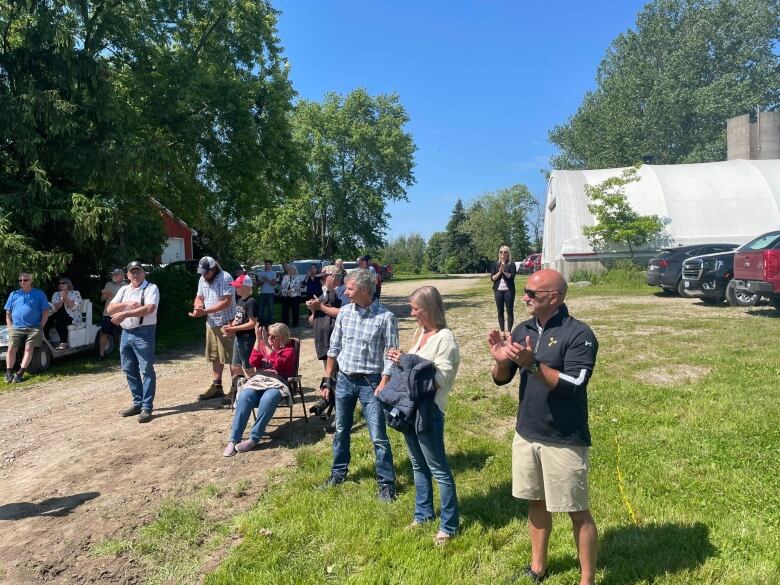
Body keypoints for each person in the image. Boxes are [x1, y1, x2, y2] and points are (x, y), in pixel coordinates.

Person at [488, 269, 599, 585]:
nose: (524, 297)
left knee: (577, 510)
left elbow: (575, 384)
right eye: (524, 291)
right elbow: (502, 378)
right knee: (535, 502)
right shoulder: (523, 328)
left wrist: (534, 365)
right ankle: (538, 567)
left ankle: (587, 580)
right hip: (527, 432)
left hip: (563, 437)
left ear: (555, 297)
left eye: (531, 293)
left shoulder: (579, 334)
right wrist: (500, 360)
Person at [387, 286, 460, 546]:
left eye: (415, 308)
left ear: (428, 309)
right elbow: (414, 370)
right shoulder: (422, 333)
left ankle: (449, 526)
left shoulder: (445, 339)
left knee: (438, 469)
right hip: (410, 409)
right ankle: (423, 515)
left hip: (429, 411)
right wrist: (401, 360)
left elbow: (440, 379)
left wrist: (408, 362)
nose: (412, 312)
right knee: (418, 465)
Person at [320, 269, 399, 501]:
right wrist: (328, 379)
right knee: (342, 429)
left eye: (350, 289)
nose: (346, 292)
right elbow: (333, 348)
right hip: (344, 379)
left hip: (370, 383)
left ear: (364, 290)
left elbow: (391, 354)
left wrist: (384, 381)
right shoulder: (345, 313)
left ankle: (386, 483)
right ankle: (338, 473)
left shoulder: (386, 317)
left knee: (378, 435)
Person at [223, 323, 295, 456]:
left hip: (276, 382)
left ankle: (254, 438)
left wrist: (268, 348)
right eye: (269, 336)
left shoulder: (288, 350)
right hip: (259, 380)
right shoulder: (263, 346)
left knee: (269, 398)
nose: (269, 339)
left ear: (283, 338)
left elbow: (279, 364)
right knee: (245, 396)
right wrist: (257, 340)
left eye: (274, 337)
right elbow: (253, 362)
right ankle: (234, 440)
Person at [108, 261, 160, 423]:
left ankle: (146, 407)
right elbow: (110, 309)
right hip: (126, 332)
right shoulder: (124, 290)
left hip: (144, 332)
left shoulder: (151, 288)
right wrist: (126, 304)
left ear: (143, 273)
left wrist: (125, 314)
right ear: (128, 275)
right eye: (132, 272)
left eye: (138, 272)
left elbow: (149, 308)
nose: (135, 275)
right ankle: (137, 403)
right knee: (129, 369)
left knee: (146, 370)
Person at [188, 256, 236, 401]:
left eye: (206, 272)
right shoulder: (203, 279)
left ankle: (236, 388)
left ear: (214, 269)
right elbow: (199, 297)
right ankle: (217, 387)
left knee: (232, 357)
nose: (204, 275)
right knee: (215, 356)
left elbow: (226, 302)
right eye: (202, 272)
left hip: (227, 322)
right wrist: (198, 307)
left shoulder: (225, 277)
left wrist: (205, 311)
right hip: (211, 323)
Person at [4, 272, 49, 383]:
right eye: (20, 281)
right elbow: (8, 313)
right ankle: (9, 374)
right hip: (16, 327)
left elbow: (45, 312)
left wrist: (40, 327)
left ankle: (20, 374)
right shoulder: (14, 294)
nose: (23, 282)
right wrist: (10, 327)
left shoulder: (39, 294)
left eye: (25, 280)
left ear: (31, 281)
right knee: (10, 350)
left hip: (34, 327)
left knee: (28, 349)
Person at [222, 274, 258, 385]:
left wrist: (234, 329)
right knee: (235, 366)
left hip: (247, 338)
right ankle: (244, 388)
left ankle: (255, 388)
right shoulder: (240, 301)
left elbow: (253, 323)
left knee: (247, 367)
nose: (235, 288)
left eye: (238, 286)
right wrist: (230, 327)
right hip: (239, 337)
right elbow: (238, 318)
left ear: (247, 287)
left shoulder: (251, 302)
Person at [47, 277, 83, 350]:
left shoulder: (75, 293)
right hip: (57, 315)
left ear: (68, 284)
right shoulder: (56, 294)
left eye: (63, 283)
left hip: (72, 317)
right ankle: (46, 340)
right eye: (59, 283)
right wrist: (61, 301)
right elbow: (54, 308)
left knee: (59, 319)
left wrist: (65, 298)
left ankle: (64, 342)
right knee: (46, 318)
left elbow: (74, 307)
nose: (61, 285)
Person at [490, 245, 517, 335]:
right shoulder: (495, 264)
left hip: (509, 291)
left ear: (508, 254)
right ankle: (502, 331)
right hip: (498, 290)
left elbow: (511, 277)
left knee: (509, 311)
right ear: (499, 253)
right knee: (500, 311)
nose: (503, 254)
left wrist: (504, 271)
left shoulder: (511, 264)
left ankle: (509, 331)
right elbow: (493, 278)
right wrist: (499, 272)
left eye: (505, 252)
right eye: (501, 252)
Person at [99, 268, 125, 358]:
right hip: (107, 313)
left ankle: (122, 354)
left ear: (122, 276)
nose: (114, 276)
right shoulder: (108, 284)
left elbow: (126, 300)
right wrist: (105, 295)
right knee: (104, 333)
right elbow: (102, 299)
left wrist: (112, 295)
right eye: (113, 274)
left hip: (120, 313)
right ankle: (101, 354)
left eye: (116, 274)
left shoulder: (126, 286)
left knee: (121, 334)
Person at [256, 259, 277, 327]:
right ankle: (261, 323)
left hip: (270, 293)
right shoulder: (261, 273)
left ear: (271, 265)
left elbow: (273, 284)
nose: (266, 265)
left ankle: (270, 323)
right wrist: (263, 280)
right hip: (262, 293)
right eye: (265, 264)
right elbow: (259, 284)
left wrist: (267, 279)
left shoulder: (273, 273)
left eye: (268, 264)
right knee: (261, 309)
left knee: (270, 309)